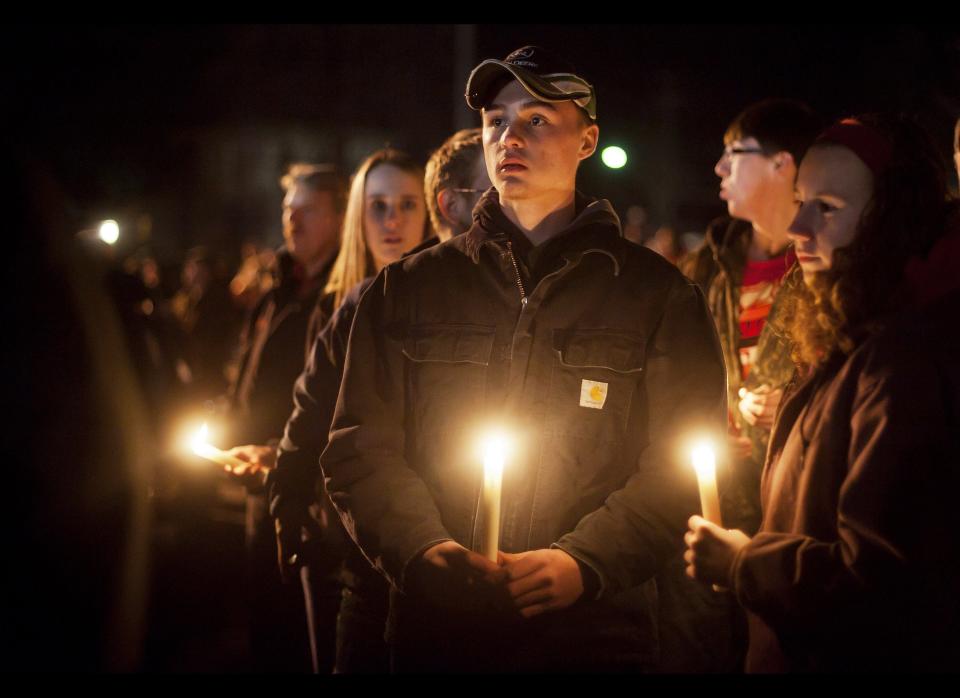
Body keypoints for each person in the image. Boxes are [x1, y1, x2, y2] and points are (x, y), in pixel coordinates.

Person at [320, 46, 726, 673]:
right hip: (440, 635)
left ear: (587, 140)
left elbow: (677, 465)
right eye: (495, 120)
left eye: (536, 119)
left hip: (593, 639)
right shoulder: (406, 290)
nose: (509, 135)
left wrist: (584, 562)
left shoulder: (656, 296)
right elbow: (358, 449)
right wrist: (422, 551)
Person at [685, 114, 960, 672]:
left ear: (890, 221)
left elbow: (880, 589)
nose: (798, 228)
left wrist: (746, 562)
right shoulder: (845, 331)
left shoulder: (902, 361)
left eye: (827, 208)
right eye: (802, 201)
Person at [269, 134, 488, 673]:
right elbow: (317, 407)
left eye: (406, 205)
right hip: (362, 554)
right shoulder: (358, 303)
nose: (393, 221)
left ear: (431, 209)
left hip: (455, 545)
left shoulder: (455, 295)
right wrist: (290, 487)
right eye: (378, 207)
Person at [664, 100, 822, 673]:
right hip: (707, 502)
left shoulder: (823, 267)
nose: (718, 167)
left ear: (784, 164)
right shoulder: (707, 267)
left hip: (789, 511)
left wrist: (796, 408)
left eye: (735, 153)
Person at [221, 162, 345, 673]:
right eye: (288, 209)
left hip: (305, 477)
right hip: (257, 473)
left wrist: (283, 450)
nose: (293, 221)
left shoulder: (341, 295)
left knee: (303, 627)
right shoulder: (278, 286)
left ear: (341, 217)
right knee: (266, 614)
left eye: (308, 210)